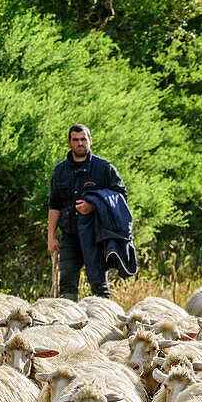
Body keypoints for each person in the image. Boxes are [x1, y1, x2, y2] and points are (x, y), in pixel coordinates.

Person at [47, 125, 127, 300]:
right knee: (66, 284)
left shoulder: (104, 168)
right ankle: (67, 325)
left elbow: (121, 197)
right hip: (70, 236)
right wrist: (51, 237)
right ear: (69, 143)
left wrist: (94, 205)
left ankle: (104, 324)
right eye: (75, 140)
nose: (80, 143)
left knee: (99, 284)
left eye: (83, 139)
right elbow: (54, 205)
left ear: (90, 141)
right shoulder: (60, 171)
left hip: (96, 237)